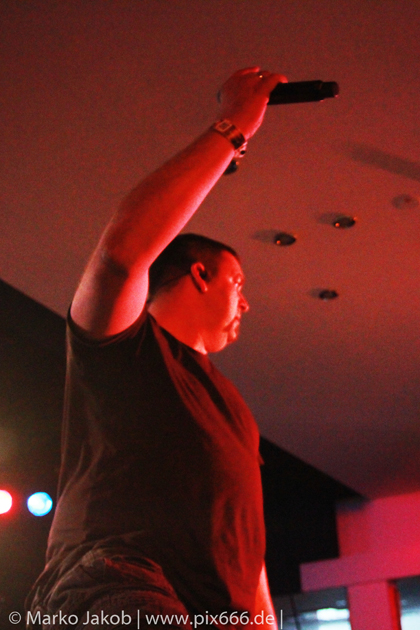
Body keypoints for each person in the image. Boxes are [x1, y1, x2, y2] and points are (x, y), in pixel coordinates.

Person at [26, 67, 286, 630]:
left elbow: (242, 537)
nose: (246, 304)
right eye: (238, 283)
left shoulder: (229, 405)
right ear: (199, 274)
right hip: (123, 584)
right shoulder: (127, 348)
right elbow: (121, 254)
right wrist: (234, 126)